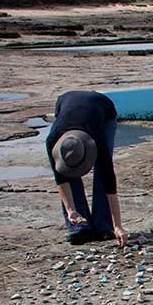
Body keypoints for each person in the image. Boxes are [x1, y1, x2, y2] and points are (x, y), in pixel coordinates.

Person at [45, 91, 127, 247]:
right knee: (70, 165)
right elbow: (61, 179)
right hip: (66, 104)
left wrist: (117, 226)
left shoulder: (98, 142)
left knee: (102, 175)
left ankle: (104, 225)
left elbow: (109, 184)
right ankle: (79, 226)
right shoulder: (53, 141)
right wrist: (70, 209)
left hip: (103, 110)